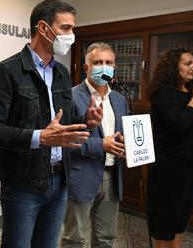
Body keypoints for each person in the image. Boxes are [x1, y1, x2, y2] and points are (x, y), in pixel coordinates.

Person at [0, 0, 103, 248]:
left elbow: (63, 125)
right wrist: (40, 137)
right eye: (66, 28)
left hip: (59, 183)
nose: (72, 35)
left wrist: (87, 122)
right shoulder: (7, 71)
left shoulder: (62, 73)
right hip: (22, 185)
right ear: (44, 28)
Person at [62, 42, 127, 248]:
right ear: (86, 67)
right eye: (98, 62)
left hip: (112, 176)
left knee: (106, 239)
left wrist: (125, 145)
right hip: (82, 175)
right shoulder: (70, 96)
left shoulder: (120, 99)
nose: (104, 67)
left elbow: (120, 135)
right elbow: (65, 142)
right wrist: (102, 145)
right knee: (74, 238)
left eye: (109, 62)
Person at [147, 48, 193, 248]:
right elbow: (180, 125)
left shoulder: (192, 91)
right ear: (173, 66)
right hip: (169, 170)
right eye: (188, 63)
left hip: (190, 167)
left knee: (180, 221)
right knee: (164, 224)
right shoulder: (163, 94)